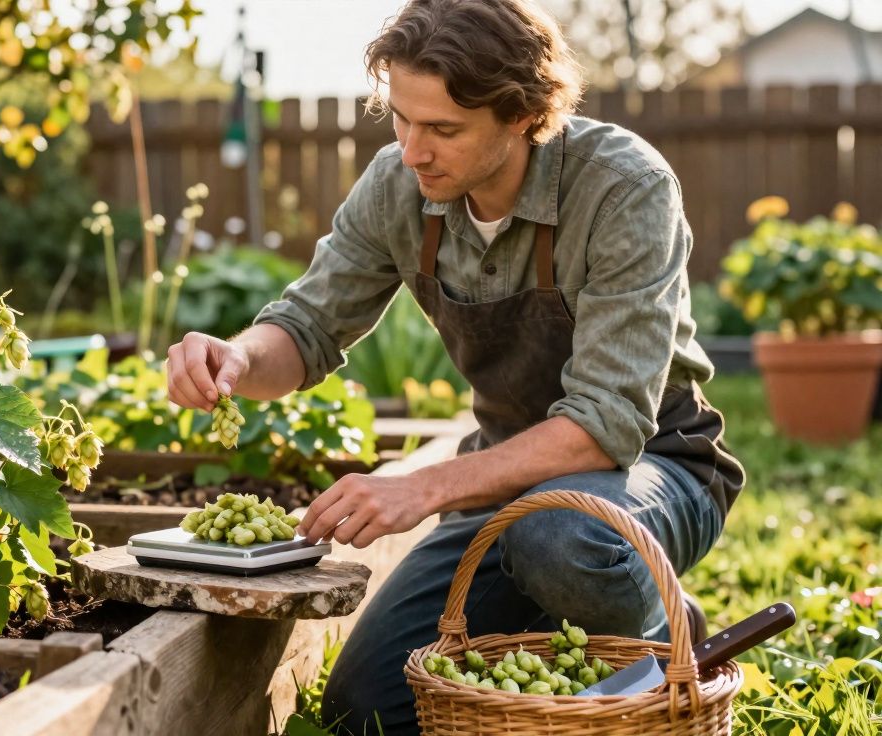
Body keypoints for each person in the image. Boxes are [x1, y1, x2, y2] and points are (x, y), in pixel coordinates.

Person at [163, 0, 745, 732]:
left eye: (442, 129)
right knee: (368, 706)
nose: (413, 152)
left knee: (561, 540)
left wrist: (422, 487)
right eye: (401, 120)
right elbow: (307, 329)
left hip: (656, 468)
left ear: (523, 116)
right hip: (501, 485)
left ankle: (660, 664)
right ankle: (577, 612)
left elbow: (605, 426)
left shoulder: (623, 189)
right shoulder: (398, 186)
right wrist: (236, 357)